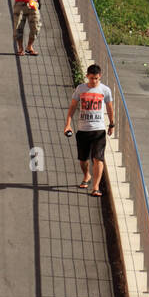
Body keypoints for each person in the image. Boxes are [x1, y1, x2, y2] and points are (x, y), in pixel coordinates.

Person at [64, 63, 115, 197]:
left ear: (100, 77)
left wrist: (112, 124)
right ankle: (87, 175)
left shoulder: (105, 90)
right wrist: (68, 124)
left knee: (98, 158)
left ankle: (96, 187)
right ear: (87, 76)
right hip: (83, 130)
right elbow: (73, 107)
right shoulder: (80, 89)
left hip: (98, 130)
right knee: (83, 159)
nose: (94, 81)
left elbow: (109, 108)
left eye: (97, 78)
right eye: (92, 78)